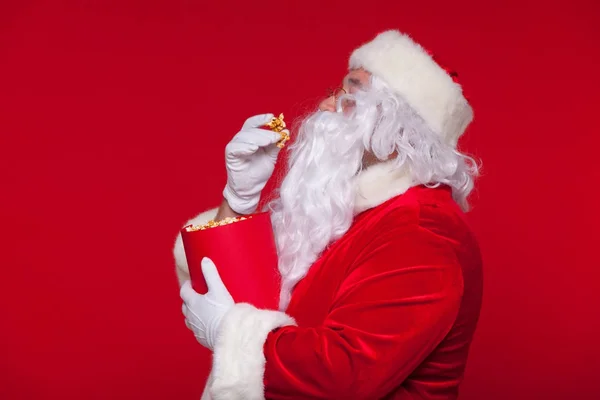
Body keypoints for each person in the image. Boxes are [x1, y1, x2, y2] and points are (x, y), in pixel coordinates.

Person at [174, 30, 483, 400]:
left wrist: (231, 332)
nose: (325, 106)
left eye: (348, 95)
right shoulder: (345, 211)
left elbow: (345, 374)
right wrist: (238, 199)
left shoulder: (421, 231)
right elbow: (235, 291)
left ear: (397, 126)